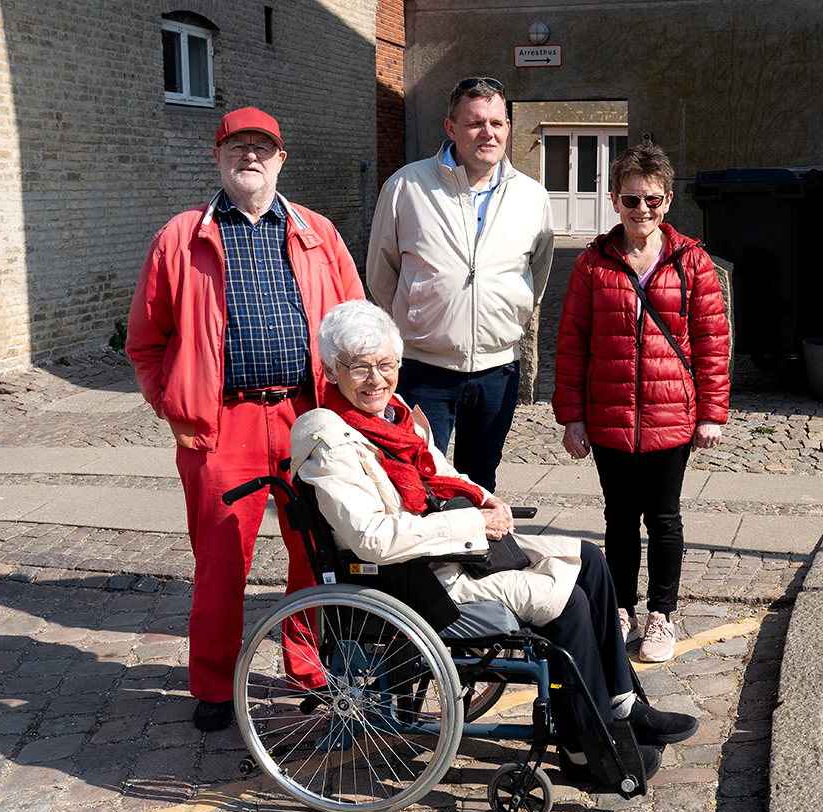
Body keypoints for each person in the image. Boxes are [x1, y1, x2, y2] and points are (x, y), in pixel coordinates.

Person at [289, 299, 698, 782]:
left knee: (588, 557)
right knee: (565, 602)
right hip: (414, 579)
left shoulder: (394, 419)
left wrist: (486, 500)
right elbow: (373, 539)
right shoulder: (331, 443)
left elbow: (442, 473)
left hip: (445, 550)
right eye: (360, 368)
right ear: (332, 371)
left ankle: (622, 703)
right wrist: (470, 525)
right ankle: (584, 745)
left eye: (386, 364)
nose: (377, 379)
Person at [128, 107, 364, 732]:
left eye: (262, 147)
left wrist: (353, 408)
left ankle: (309, 671)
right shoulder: (182, 237)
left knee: (316, 552)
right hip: (219, 422)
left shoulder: (317, 233)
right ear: (218, 157)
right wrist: (171, 405)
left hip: (306, 415)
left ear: (281, 158)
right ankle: (213, 684)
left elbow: (355, 324)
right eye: (237, 146)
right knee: (220, 559)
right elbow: (145, 341)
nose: (249, 156)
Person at [552, 144, 731, 664]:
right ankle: (622, 609)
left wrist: (712, 413)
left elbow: (712, 342)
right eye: (631, 199)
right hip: (609, 415)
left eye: (652, 199)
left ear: (668, 200)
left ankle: (662, 614)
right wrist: (572, 416)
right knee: (619, 519)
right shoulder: (592, 264)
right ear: (615, 200)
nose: (642, 209)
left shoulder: (692, 262)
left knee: (665, 519)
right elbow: (572, 342)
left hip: (670, 413)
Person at [366, 76, 554, 493]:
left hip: (497, 370)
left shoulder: (531, 197)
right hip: (424, 369)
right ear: (451, 128)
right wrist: (419, 321)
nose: (488, 133)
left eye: (496, 123)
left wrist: (508, 316)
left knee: (481, 481)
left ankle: (475, 538)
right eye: (475, 123)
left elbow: (536, 274)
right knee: (416, 481)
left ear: (508, 128)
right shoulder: (406, 187)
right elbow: (381, 272)